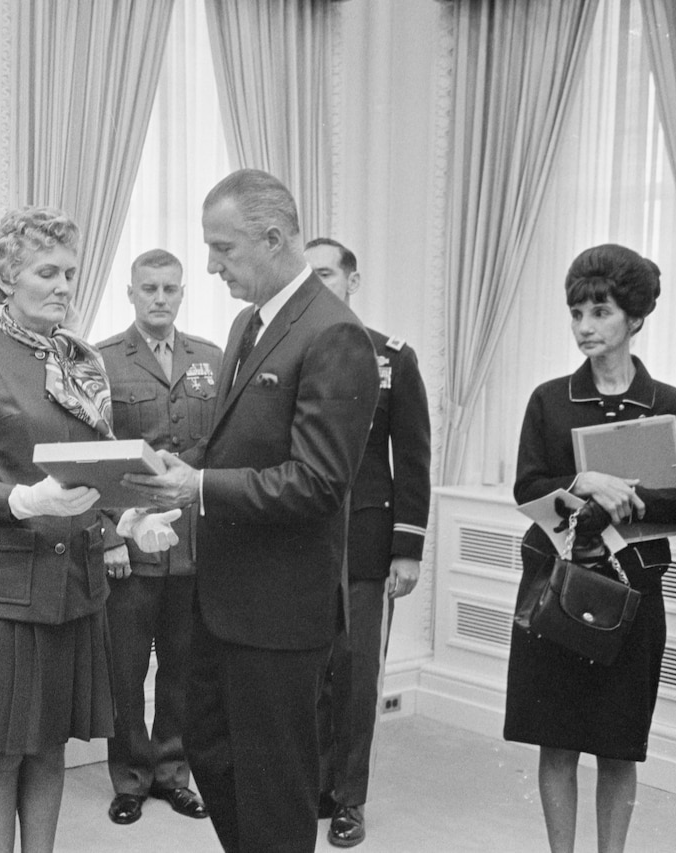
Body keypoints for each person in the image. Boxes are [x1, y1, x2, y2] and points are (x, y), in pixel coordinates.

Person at [124, 169, 380, 853]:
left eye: (224, 249)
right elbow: (238, 440)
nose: (210, 266)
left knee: (275, 790)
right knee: (212, 755)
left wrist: (200, 486)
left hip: (279, 614)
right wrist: (166, 477)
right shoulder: (250, 321)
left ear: (273, 238)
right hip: (223, 598)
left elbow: (319, 482)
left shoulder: (335, 334)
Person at [0, 207, 176, 853]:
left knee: (50, 746)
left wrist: (132, 517)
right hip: (1, 587)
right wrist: (21, 498)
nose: (64, 284)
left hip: (74, 583)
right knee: (4, 747)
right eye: (47, 271)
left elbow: (100, 470)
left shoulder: (81, 358)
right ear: (7, 278)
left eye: (69, 271)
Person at [505, 244, 676, 853]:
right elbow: (527, 487)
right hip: (556, 589)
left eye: (600, 312)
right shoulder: (549, 399)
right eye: (576, 313)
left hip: (635, 594)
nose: (584, 327)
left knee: (619, 746)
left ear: (634, 317)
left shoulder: (671, 405)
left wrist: (631, 494)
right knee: (556, 740)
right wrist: (579, 483)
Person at [304, 237, 431, 848]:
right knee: (306, 670)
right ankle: (315, 788)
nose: (316, 282)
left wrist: (407, 547)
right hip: (301, 541)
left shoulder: (391, 356)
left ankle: (349, 798)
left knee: (355, 676)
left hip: (366, 541)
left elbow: (412, 457)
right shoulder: (290, 350)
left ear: (352, 281)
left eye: (326, 272)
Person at [95, 248, 220, 827]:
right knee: (125, 670)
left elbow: (219, 450)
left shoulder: (212, 360)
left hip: (190, 545)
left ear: (182, 291)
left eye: (171, 288)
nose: (160, 298)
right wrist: (109, 538)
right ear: (131, 292)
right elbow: (95, 460)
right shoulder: (101, 362)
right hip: (130, 542)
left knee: (183, 666)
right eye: (150, 288)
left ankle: (174, 774)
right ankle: (131, 777)